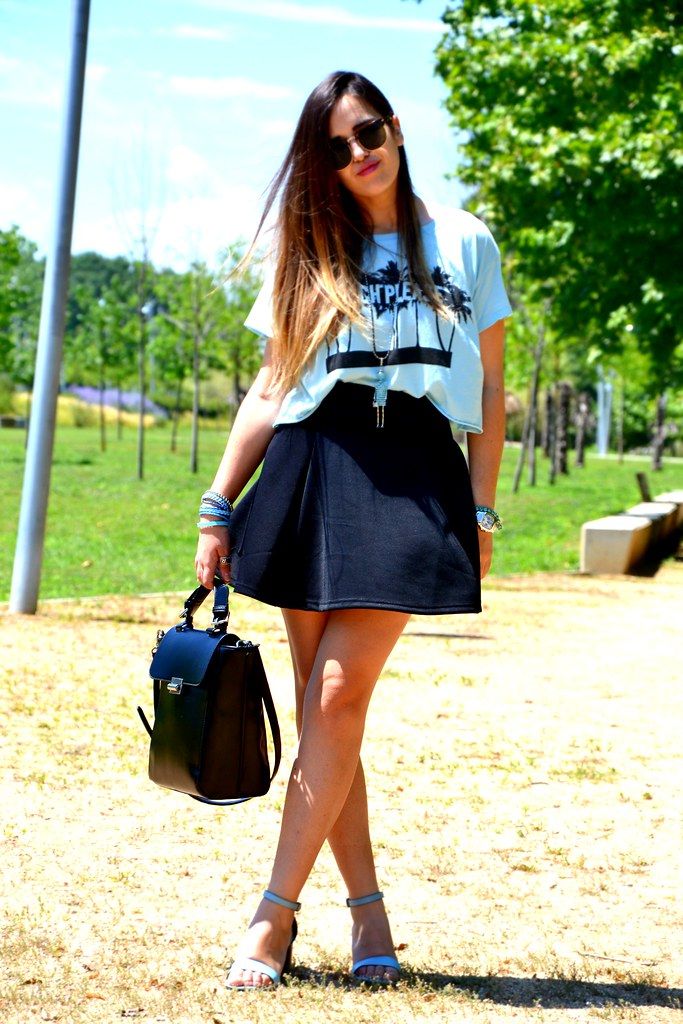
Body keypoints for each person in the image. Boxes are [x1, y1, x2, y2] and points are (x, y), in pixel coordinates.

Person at [194, 70, 511, 990]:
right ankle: (368, 914)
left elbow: (491, 387)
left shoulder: (464, 238)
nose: (358, 153)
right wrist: (218, 502)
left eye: (367, 131)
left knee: (334, 697)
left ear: (395, 127)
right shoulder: (306, 250)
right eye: (334, 148)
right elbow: (271, 384)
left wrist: (482, 503)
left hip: (414, 470)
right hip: (313, 463)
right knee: (325, 711)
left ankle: (272, 915)